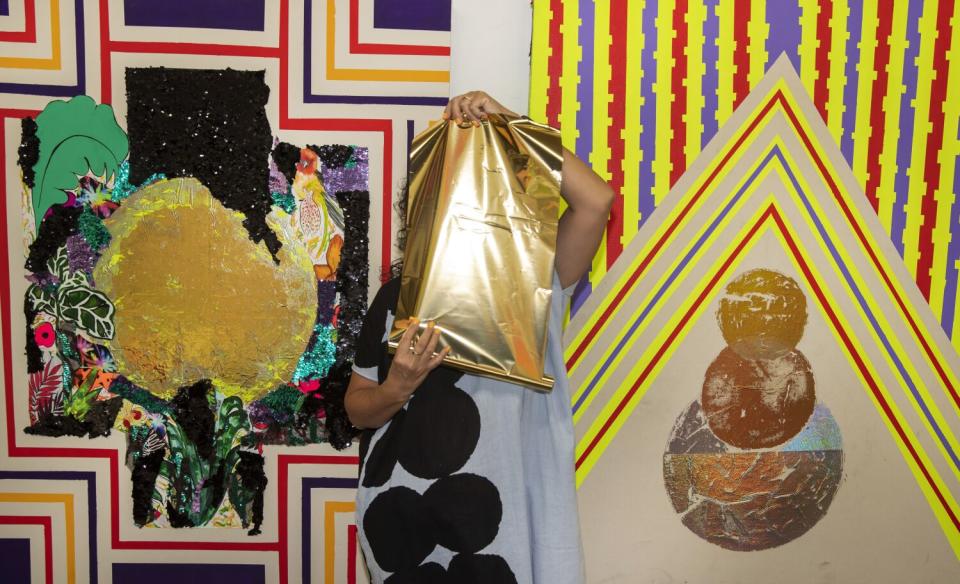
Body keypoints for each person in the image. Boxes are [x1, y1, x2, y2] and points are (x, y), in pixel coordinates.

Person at [345, 91, 613, 583]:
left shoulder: (538, 288)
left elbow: (597, 201)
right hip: (406, 521)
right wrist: (397, 387)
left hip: (505, 526)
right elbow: (356, 408)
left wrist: (506, 121)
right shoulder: (393, 298)